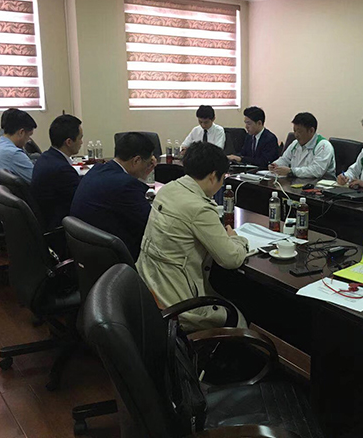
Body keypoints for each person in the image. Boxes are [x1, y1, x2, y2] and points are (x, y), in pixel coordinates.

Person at [137, 142, 249, 331]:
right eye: (222, 178)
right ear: (213, 176)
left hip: (148, 289)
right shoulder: (199, 208)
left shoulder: (168, 189)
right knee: (238, 313)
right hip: (177, 303)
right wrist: (237, 238)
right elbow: (231, 259)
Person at [70, 132, 157, 260]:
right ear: (137, 160)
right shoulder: (125, 185)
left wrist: (143, 173)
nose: (148, 166)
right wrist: (144, 177)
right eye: (148, 163)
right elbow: (151, 224)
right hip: (115, 257)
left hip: (87, 253)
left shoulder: (97, 169)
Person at [0, 109, 37, 231]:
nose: (29, 140)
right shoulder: (13, 153)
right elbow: (37, 181)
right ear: (21, 132)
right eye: (29, 135)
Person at [31, 114, 84, 229]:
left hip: (48, 219)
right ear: (69, 142)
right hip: (60, 228)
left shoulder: (45, 157)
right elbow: (82, 199)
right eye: (80, 138)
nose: (82, 142)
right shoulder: (62, 170)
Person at [269, 112, 336, 178]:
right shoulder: (295, 143)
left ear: (311, 130)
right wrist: (275, 165)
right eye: (294, 131)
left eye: (299, 131)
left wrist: (291, 171)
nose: (296, 135)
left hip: (319, 183)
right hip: (297, 181)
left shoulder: (323, 146)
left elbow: (317, 171)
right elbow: (285, 159)